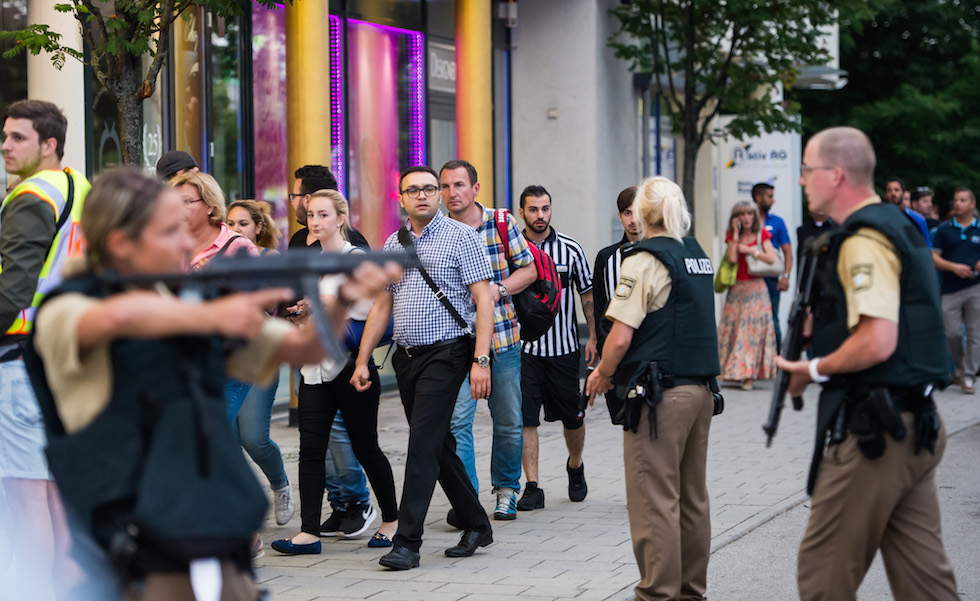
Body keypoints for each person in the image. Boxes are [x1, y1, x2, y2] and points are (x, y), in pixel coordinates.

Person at [27, 166, 399, 600]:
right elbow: (117, 318)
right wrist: (209, 314)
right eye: (170, 231)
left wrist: (345, 299)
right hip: (132, 548)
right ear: (121, 242)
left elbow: (305, 349)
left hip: (213, 536)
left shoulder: (187, 299)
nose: (186, 242)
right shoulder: (69, 306)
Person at [776, 126, 958, 601]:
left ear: (835, 174)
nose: (801, 180)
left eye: (807, 169)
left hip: (876, 434)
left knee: (822, 578)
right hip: (916, 421)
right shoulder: (896, 224)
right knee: (926, 585)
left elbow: (878, 340)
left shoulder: (863, 238)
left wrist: (814, 369)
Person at [352, 165, 495, 570]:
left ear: (439, 195)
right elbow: (382, 304)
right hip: (406, 358)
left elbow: (484, 300)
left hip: (447, 353)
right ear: (401, 198)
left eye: (429, 189)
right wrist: (362, 359)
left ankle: (407, 543)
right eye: (412, 190)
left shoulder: (462, 237)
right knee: (435, 444)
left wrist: (481, 360)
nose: (422, 195)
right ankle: (477, 524)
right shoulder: (392, 243)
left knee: (420, 446)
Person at [585, 176, 719, 601]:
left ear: (643, 213)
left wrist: (602, 373)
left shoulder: (643, 259)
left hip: (659, 397)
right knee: (692, 499)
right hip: (700, 391)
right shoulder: (696, 254)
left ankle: (657, 594)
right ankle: (691, 593)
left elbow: (620, 336)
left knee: (654, 500)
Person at [271, 189, 399, 554]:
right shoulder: (315, 263)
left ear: (341, 219)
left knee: (365, 447)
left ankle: (392, 521)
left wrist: (323, 303)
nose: (315, 221)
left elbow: (368, 310)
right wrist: (302, 316)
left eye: (324, 214)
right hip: (315, 370)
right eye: (311, 214)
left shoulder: (355, 258)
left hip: (351, 366)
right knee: (310, 450)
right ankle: (308, 533)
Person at [0, 99, 90, 598]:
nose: (6, 146)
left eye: (18, 137)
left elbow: (12, 291)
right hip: (62, 356)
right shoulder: (79, 187)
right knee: (55, 498)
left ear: (49, 144)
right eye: (5, 136)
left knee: (26, 498)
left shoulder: (32, 195)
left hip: (20, 359)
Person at [442, 159, 536, 521]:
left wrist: (499, 289)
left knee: (508, 421)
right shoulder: (438, 231)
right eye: (446, 186)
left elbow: (529, 269)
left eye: (459, 185)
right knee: (457, 423)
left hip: (502, 338)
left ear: (475, 188)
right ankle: (467, 500)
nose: (452, 193)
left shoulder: (500, 222)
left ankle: (506, 490)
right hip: (458, 342)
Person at [289, 164, 375, 538]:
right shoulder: (299, 241)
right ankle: (338, 504)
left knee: (345, 435)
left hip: (343, 356)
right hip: (309, 349)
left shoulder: (352, 245)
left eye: (297, 196)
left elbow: (364, 302)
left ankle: (359, 502)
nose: (296, 204)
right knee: (315, 442)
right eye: (309, 212)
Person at [517, 185, 597, 510]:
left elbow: (587, 293)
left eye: (545, 208)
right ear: (522, 212)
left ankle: (575, 465)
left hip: (564, 351)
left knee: (572, 417)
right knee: (526, 419)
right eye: (533, 209)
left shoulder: (570, 249)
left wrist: (594, 337)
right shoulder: (513, 249)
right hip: (524, 352)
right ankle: (533, 486)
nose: (540, 215)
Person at [225, 199, 291, 555]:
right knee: (228, 439)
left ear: (258, 228)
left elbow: (268, 305)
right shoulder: (216, 257)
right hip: (227, 358)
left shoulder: (268, 258)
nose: (235, 230)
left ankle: (280, 484)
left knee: (253, 437)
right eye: (230, 223)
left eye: (243, 224)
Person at [717, 201, 777, 390]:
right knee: (733, 330)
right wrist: (735, 235)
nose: (746, 217)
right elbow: (732, 258)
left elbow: (771, 258)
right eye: (742, 214)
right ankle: (736, 372)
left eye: (749, 213)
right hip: (737, 290)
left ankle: (748, 375)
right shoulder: (731, 235)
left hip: (756, 289)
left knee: (750, 333)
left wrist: (751, 250)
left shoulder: (762, 234)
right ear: (736, 218)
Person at [930, 187, 980, 394]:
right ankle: (959, 366)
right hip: (950, 289)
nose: (957, 203)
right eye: (956, 200)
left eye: (962, 200)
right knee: (952, 333)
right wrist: (953, 267)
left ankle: (969, 376)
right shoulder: (944, 229)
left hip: (975, 287)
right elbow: (934, 258)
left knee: (975, 333)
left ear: (972, 204)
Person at [593, 186, 643, 351]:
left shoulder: (660, 254)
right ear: (620, 216)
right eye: (628, 213)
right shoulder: (606, 257)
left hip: (649, 347)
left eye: (638, 212)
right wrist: (602, 344)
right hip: (614, 345)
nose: (634, 219)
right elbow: (599, 305)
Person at [751, 182, 793, 352]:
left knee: (772, 319)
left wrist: (786, 276)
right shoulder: (746, 220)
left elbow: (788, 251)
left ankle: (775, 359)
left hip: (770, 279)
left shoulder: (777, 222)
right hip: (750, 278)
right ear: (758, 198)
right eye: (769, 196)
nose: (773, 200)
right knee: (751, 319)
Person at [884, 176, 930, 242]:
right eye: (889, 190)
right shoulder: (880, 218)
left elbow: (927, 244)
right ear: (885, 194)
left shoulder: (917, 219)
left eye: (896, 190)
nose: (893, 193)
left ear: (903, 193)